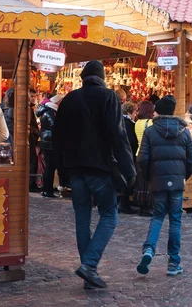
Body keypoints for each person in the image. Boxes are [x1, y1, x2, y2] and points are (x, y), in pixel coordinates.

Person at [53, 60, 136, 289]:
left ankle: (89, 270)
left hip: (75, 169)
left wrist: (61, 170)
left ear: (83, 77)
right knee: (109, 215)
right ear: (101, 78)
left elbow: (57, 138)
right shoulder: (108, 97)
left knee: (82, 218)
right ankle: (89, 265)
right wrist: (129, 169)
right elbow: (118, 136)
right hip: (100, 168)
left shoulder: (69, 99)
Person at [136, 95, 192, 276]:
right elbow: (191, 157)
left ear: (159, 112)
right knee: (175, 220)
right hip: (177, 182)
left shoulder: (150, 131)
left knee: (157, 216)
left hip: (157, 180)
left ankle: (149, 249)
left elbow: (143, 158)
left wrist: (149, 177)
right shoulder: (184, 131)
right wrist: (183, 175)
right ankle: (173, 262)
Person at [38, 94, 64, 198]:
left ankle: (48, 189)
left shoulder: (49, 111)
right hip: (49, 142)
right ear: (56, 102)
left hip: (48, 141)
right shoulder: (49, 112)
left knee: (50, 167)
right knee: (50, 167)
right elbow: (54, 126)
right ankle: (47, 190)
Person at [133, 100, 155, 217]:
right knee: (149, 182)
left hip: (139, 153)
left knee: (140, 181)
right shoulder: (150, 123)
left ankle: (141, 206)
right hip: (149, 154)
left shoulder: (137, 122)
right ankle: (148, 206)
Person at [119, 101, 138, 214]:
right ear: (130, 112)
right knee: (127, 179)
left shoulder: (118, 121)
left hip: (117, 154)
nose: (136, 114)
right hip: (127, 154)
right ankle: (124, 204)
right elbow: (131, 141)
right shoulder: (130, 125)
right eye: (135, 112)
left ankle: (121, 202)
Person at [28, 89, 41, 190]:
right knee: (32, 160)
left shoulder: (30, 108)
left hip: (32, 136)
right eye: (31, 96)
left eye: (35, 96)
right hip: (30, 137)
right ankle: (31, 183)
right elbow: (29, 125)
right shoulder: (28, 108)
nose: (33, 98)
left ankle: (31, 182)